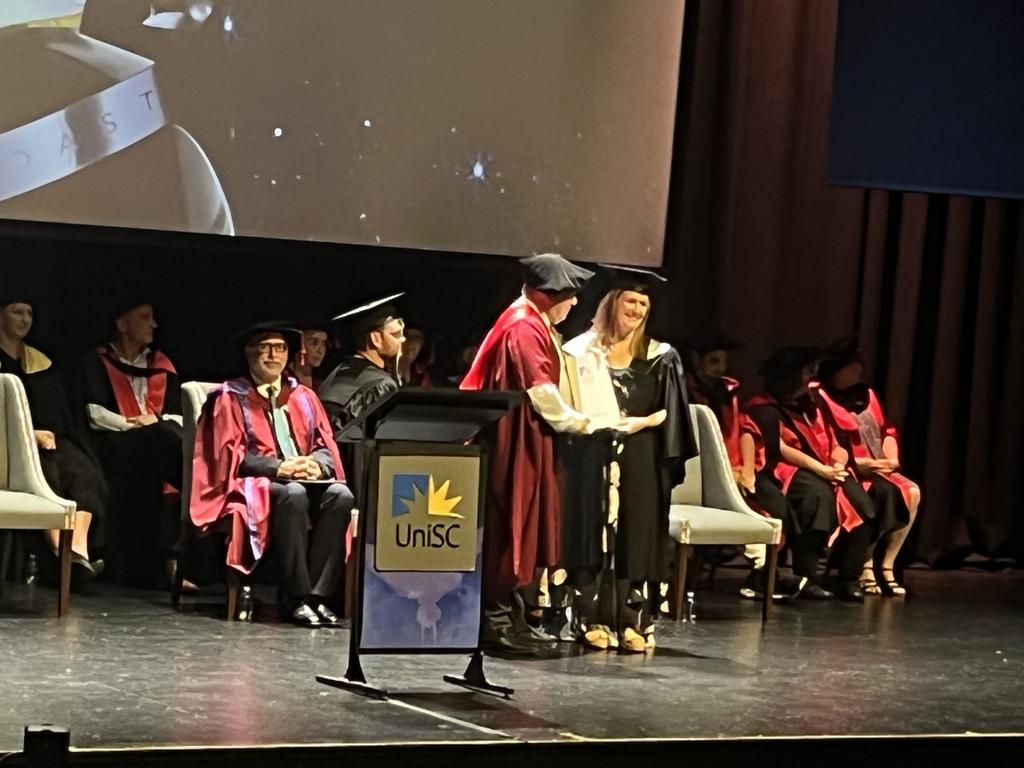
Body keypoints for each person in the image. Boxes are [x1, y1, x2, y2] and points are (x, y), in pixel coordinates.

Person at [460, 252, 596, 656]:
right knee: (508, 521)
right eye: (570, 297)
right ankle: (495, 621)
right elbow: (541, 393)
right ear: (551, 295)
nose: (573, 306)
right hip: (512, 437)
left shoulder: (528, 320)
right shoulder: (523, 326)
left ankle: (511, 615)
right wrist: (583, 423)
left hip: (525, 433)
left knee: (518, 522)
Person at [563, 272, 698, 652]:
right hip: (592, 454)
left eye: (643, 305)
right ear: (612, 304)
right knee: (591, 535)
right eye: (630, 302)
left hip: (642, 457)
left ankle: (632, 620)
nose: (637, 310)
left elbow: (671, 416)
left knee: (636, 537)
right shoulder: (579, 352)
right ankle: (589, 619)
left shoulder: (661, 356)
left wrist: (641, 427)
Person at [190, 322, 354, 625]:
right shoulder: (229, 396)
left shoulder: (304, 396)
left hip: (304, 477)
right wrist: (279, 467)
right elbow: (229, 456)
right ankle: (297, 596)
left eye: (280, 348)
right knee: (293, 493)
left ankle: (317, 597)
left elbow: (324, 444)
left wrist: (316, 464)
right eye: (264, 347)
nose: (272, 355)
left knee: (341, 495)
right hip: (254, 482)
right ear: (248, 353)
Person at [683, 328, 806, 601]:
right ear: (695, 359)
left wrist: (748, 470)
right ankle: (689, 580)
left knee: (778, 506)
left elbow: (747, 431)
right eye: (714, 362)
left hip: (739, 470)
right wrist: (724, 474)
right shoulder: (683, 390)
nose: (720, 369)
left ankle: (762, 576)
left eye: (723, 362)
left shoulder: (730, 391)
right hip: (698, 473)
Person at [746, 347, 877, 601]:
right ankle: (806, 576)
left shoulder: (815, 403)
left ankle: (848, 578)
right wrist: (822, 470)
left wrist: (838, 461)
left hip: (826, 467)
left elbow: (837, 438)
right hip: (785, 468)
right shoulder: (764, 407)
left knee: (862, 504)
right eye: (808, 370)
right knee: (816, 497)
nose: (813, 376)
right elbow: (779, 448)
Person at [0, 293, 107, 587]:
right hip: (6, 450)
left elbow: (58, 415)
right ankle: (62, 551)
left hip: (47, 442)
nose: (24, 320)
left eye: (29, 313)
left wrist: (46, 433)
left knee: (84, 470)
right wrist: (27, 435)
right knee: (45, 472)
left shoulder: (40, 362)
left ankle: (77, 550)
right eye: (16, 312)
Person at [76, 299, 183, 587]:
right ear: (123, 325)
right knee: (168, 441)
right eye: (145, 317)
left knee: (169, 440)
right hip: (113, 446)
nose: (154, 324)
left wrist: (156, 422)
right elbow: (93, 413)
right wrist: (136, 423)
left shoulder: (161, 364)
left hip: (155, 446)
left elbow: (178, 414)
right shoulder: (97, 361)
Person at [816, 336, 920, 596]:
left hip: (877, 466)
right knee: (877, 494)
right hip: (847, 468)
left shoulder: (868, 394)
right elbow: (825, 441)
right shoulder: (820, 397)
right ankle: (865, 565)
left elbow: (887, 429)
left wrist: (891, 459)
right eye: (853, 367)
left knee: (912, 491)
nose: (859, 371)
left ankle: (886, 565)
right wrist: (863, 464)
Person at [318, 294, 404, 438]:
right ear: (376, 339)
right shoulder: (381, 385)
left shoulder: (334, 375)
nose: (403, 339)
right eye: (396, 334)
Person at [291, 317, 330, 390]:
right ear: (298, 343)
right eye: (313, 342)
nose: (320, 351)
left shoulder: (321, 385)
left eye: (323, 343)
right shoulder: (286, 382)